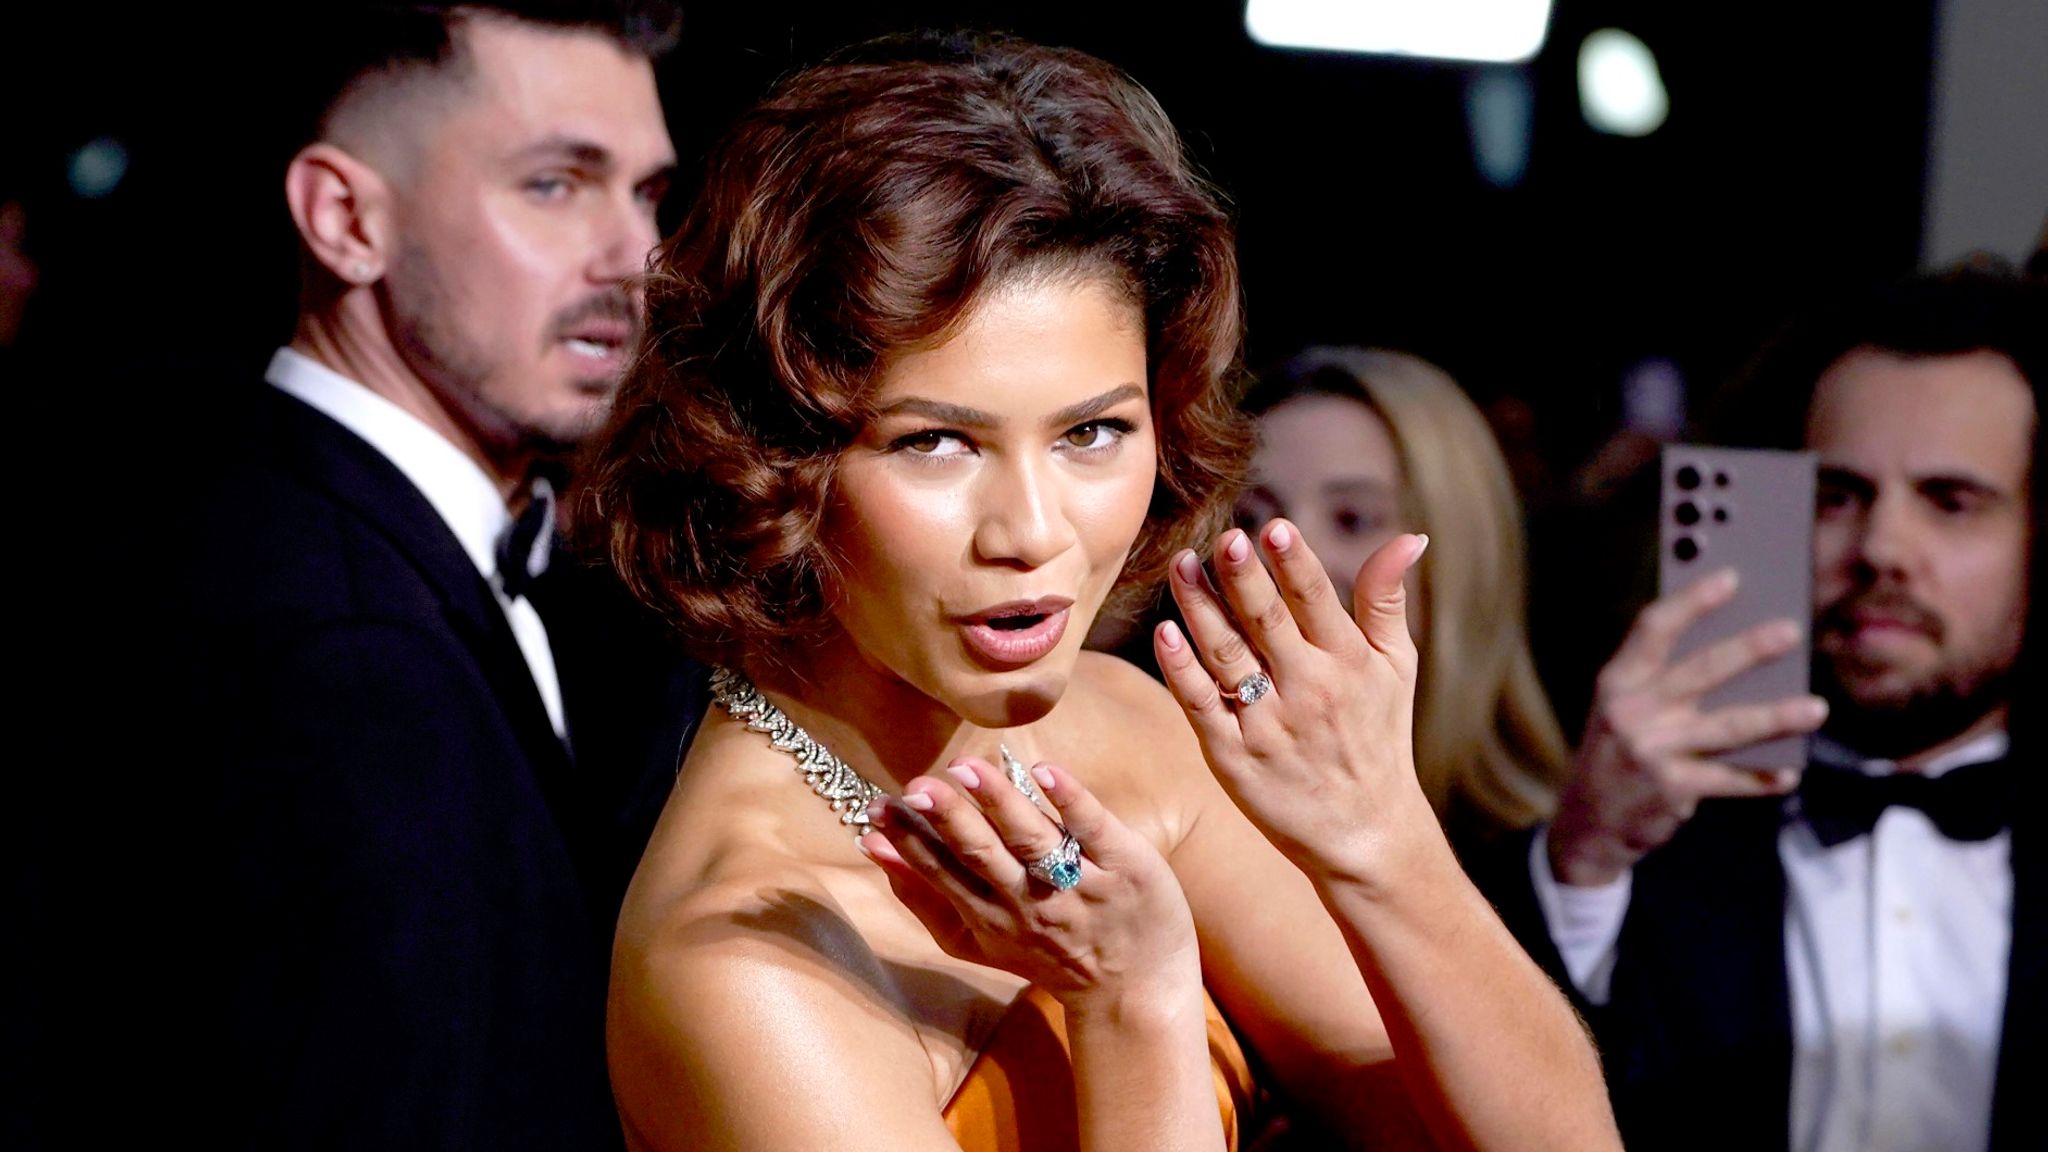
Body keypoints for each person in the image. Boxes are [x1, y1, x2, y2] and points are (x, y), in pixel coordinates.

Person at [589, 31, 1618, 1152]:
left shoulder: (1124, 721)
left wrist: (1382, 834)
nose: (1034, 532)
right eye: (937, 444)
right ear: (774, 458)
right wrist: (1133, 1002)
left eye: (1092, 432)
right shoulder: (742, 958)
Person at [67, 3, 699, 1147]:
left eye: (646, 193)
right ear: (344, 218)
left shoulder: (341, 549)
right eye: (555, 184)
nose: (631, 258)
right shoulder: (332, 646)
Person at [1481, 265, 2046, 1152]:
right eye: (1839, 495)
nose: (1883, 549)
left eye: (1952, 502)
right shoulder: (1645, 845)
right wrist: (1584, 854)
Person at [1234, 346, 1573, 844]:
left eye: (1353, 519)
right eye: (1249, 516)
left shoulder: (1561, 853)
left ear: (1459, 553)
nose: (1285, 556)